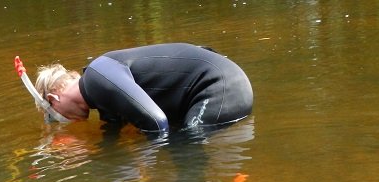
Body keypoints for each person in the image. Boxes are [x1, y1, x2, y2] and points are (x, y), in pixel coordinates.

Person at [33, 42, 253, 133]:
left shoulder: (96, 77)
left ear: (54, 98)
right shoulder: (101, 94)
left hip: (221, 87)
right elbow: (111, 134)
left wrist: (145, 172)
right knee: (180, 138)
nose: (67, 121)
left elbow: (157, 123)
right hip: (226, 89)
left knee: (187, 141)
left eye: (56, 117)